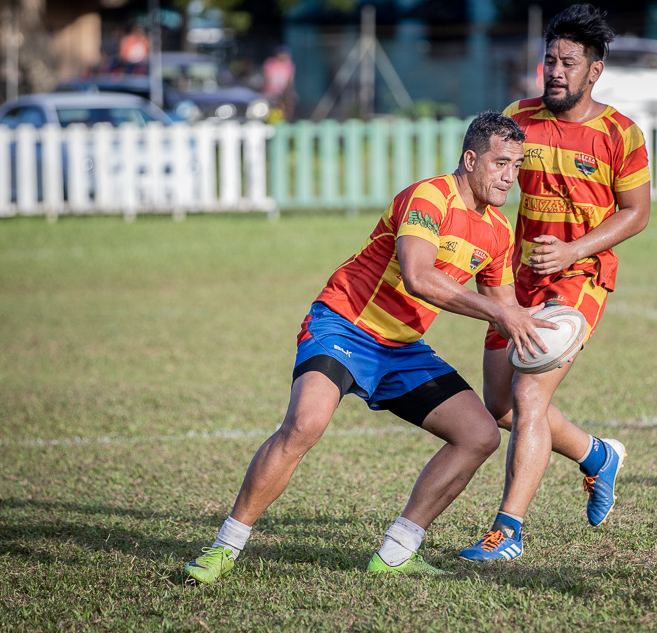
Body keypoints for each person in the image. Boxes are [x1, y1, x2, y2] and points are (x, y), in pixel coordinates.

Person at [183, 112, 554, 582]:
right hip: (343, 325)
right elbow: (419, 277)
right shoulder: (429, 197)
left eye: (517, 166)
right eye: (501, 163)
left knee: (479, 434)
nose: (510, 177)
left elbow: (503, 315)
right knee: (304, 424)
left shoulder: (499, 230)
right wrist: (503, 313)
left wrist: (534, 343)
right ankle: (224, 547)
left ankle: (397, 551)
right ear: (470, 158)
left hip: (402, 348)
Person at [458, 3, 651, 563]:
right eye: (550, 60)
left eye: (569, 62)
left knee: (529, 392)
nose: (556, 71)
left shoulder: (621, 133)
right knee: (500, 407)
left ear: (595, 70)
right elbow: (484, 183)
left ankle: (508, 530)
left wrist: (572, 249)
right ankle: (597, 456)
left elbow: (636, 213)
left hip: (581, 279)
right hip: (515, 282)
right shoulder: (520, 117)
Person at [262, 46, 296, 122]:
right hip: (270, 90)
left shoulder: (289, 65)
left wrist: (289, 92)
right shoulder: (270, 63)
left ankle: (287, 120)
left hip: (283, 91)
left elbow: (290, 81)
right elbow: (267, 79)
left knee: (290, 101)